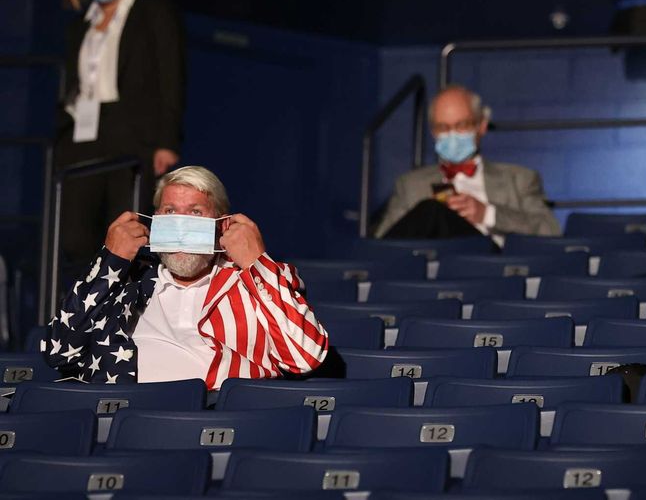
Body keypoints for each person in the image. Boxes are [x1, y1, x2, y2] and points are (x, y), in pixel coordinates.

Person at [42, 166, 328, 389]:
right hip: (124, 416)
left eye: (195, 212)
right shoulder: (128, 280)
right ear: (155, 219)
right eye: (169, 211)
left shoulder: (256, 280)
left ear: (222, 224)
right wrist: (109, 261)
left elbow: (305, 357)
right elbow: (59, 352)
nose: (180, 224)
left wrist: (256, 263)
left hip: (214, 419)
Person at [56, 0, 187, 266]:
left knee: (129, 232)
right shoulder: (81, 24)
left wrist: (166, 140)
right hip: (84, 133)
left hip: (134, 134)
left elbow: (171, 76)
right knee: (74, 237)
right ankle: (88, 307)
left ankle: (126, 312)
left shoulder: (152, 12)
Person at [374, 85, 560, 241]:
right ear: (433, 132)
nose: (452, 135)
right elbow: (382, 243)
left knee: (432, 209)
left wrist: (487, 214)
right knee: (431, 209)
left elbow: (550, 231)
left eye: (462, 125)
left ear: (482, 126)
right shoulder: (410, 185)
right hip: (431, 269)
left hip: (491, 266)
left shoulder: (519, 179)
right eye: (443, 127)